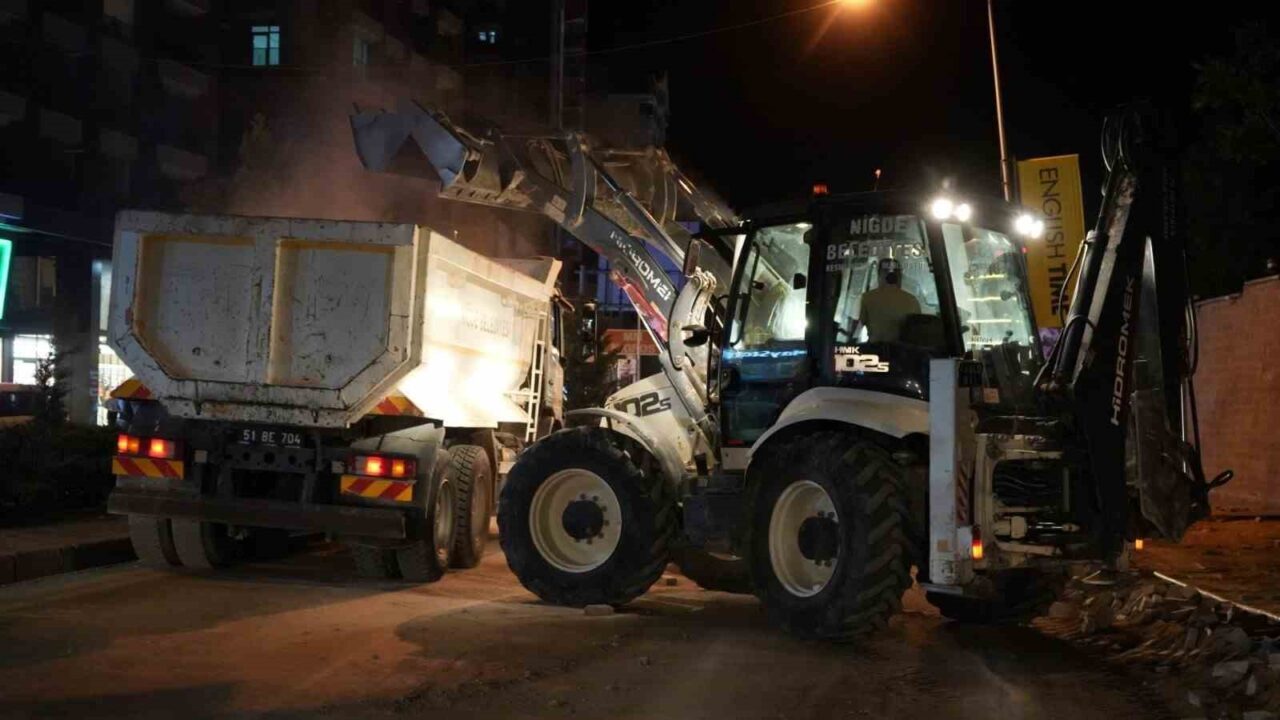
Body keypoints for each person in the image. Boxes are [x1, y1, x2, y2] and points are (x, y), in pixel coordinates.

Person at [858, 257, 920, 343]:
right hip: (904, 353)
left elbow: (856, 328)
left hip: (875, 351)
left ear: (880, 275)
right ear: (899, 276)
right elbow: (918, 333)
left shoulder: (867, 298)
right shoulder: (912, 300)